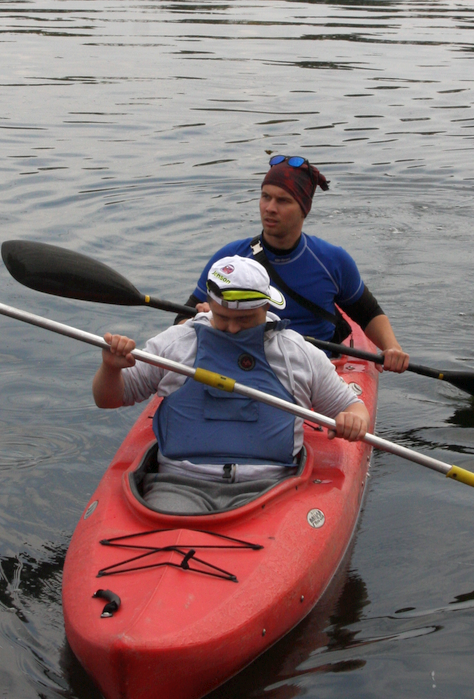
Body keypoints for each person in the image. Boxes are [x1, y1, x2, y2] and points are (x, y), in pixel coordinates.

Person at [92, 254, 370, 516]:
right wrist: (111, 368)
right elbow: (108, 399)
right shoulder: (176, 344)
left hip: (272, 487)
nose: (233, 328)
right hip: (179, 484)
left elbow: (353, 407)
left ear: (266, 307)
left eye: (245, 320)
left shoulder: (296, 353)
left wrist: (353, 421)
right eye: (222, 318)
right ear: (209, 305)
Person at [186, 156, 410, 372]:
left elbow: (369, 314)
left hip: (315, 371)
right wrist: (204, 317)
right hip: (244, 365)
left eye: (283, 200)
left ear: (304, 209)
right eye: (265, 197)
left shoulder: (332, 261)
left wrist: (392, 348)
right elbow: (182, 319)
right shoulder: (230, 260)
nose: (270, 207)